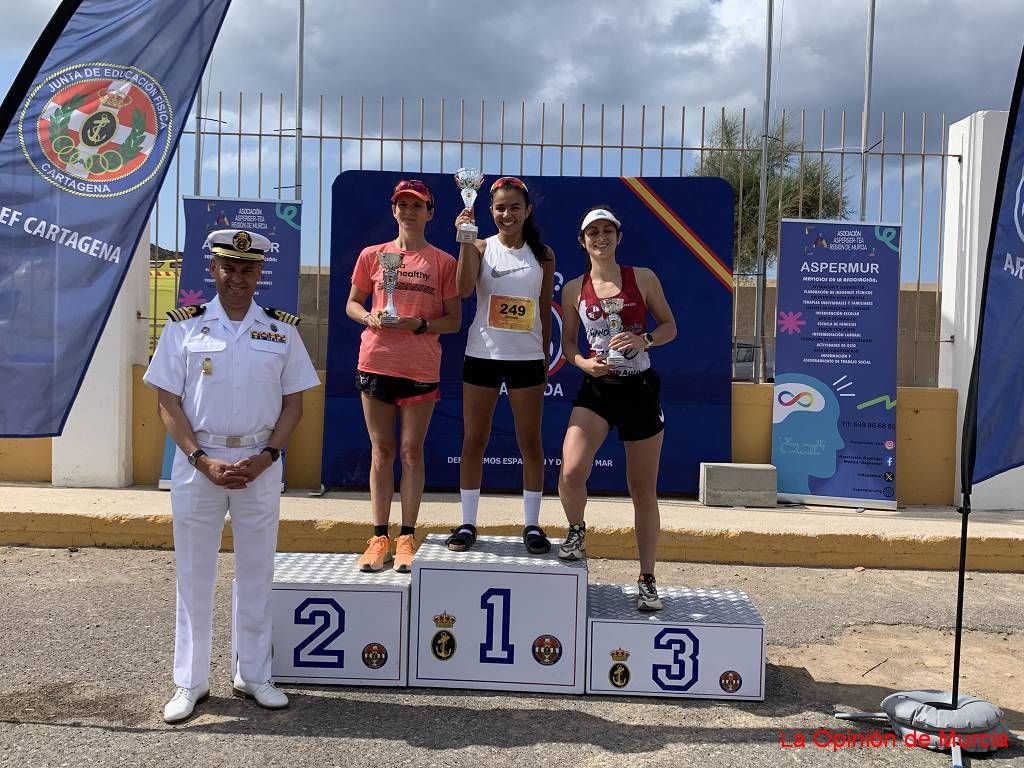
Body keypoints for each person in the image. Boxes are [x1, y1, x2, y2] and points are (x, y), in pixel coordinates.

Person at [143, 229, 320, 723]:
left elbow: (293, 403)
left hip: (259, 464)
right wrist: (202, 459)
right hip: (200, 463)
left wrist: (268, 456)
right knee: (194, 573)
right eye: (228, 267)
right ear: (214, 271)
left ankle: (254, 674)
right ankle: (190, 681)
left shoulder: (281, 331)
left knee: (257, 571)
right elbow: (167, 402)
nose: (237, 277)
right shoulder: (184, 328)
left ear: (259, 273)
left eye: (247, 269)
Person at [556, 206, 677, 611]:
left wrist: (646, 341)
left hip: (639, 389)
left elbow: (669, 327)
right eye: (593, 232)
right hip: (597, 389)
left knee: (642, 490)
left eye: (608, 230)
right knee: (571, 471)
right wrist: (582, 363)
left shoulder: (641, 278)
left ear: (618, 237)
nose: (601, 238)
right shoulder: (574, 288)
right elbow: (569, 344)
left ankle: (647, 577)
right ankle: (576, 532)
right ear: (582, 241)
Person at [346, 179, 460, 573]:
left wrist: (419, 324)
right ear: (393, 210)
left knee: (412, 452)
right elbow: (352, 305)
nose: (409, 211)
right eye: (402, 204)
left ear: (430, 212)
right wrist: (370, 316)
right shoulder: (373, 256)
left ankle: (407, 535)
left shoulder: (444, 262)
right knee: (382, 452)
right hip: (376, 361)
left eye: (418, 205)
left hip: (420, 367)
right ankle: (379, 536)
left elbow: (454, 321)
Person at [449, 176, 556, 554]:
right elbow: (463, 290)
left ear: (527, 211)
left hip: (526, 359)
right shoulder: (479, 246)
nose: (506, 214)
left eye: (514, 207)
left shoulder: (543, 255)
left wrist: (543, 359)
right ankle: (467, 523)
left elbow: (543, 311)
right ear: (490, 212)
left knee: (530, 442)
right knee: (474, 440)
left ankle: (532, 524)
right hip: (483, 355)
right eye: (499, 208)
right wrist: (464, 239)